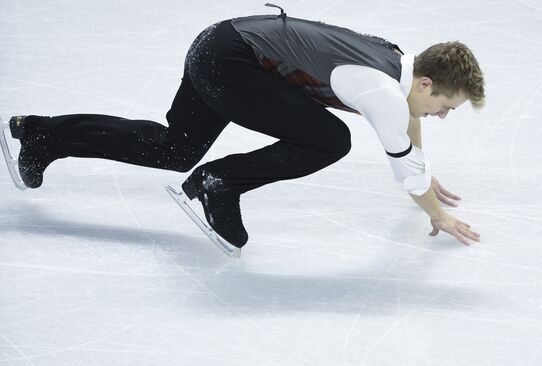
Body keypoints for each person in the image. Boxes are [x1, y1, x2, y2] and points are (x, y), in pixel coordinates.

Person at [4, 5, 484, 249]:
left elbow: (410, 123)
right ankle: (219, 184)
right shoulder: (380, 89)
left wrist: (421, 158)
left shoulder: (396, 65)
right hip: (231, 61)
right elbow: (406, 169)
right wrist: (435, 214)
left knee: (173, 149)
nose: (442, 115)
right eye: (446, 105)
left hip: (220, 45)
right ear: (425, 82)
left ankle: (43, 134)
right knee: (330, 139)